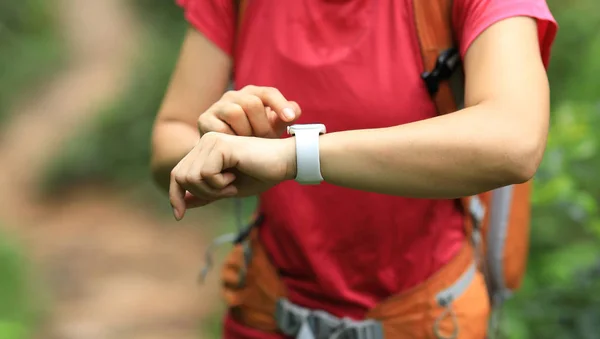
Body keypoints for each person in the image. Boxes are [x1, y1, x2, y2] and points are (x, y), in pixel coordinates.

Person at [150, 0, 557, 338]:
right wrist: (221, 155)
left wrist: (293, 158)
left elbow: (515, 140)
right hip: (265, 311)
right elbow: (172, 135)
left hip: (427, 320)